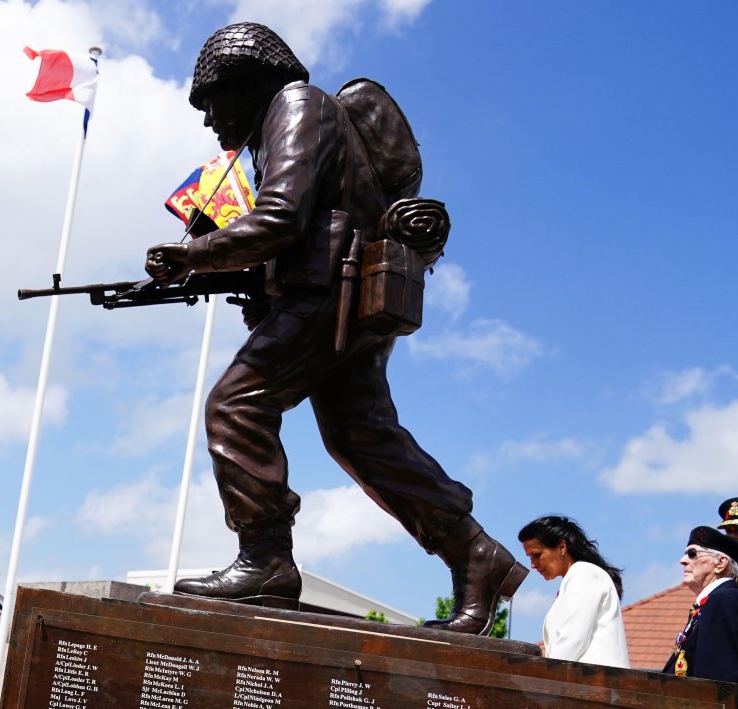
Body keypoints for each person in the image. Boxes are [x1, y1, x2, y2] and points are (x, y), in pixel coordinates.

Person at [144, 23, 525, 633]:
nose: (208, 119)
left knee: (236, 406)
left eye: (211, 100)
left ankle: (266, 559)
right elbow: (307, 221)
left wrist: (193, 253)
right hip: (348, 296)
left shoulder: (293, 104)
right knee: (361, 436)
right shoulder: (293, 121)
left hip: (330, 294)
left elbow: (282, 216)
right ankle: (474, 553)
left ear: (246, 81)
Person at [517, 516, 629, 667]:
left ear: (561, 547)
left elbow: (572, 640)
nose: (533, 565)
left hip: (596, 685)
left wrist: (544, 674)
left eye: (537, 555)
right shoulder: (576, 578)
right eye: (530, 558)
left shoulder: (584, 574)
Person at [664, 526, 738, 681]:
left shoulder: (722, 599)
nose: (682, 561)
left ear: (720, 563)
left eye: (693, 554)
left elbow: (717, 678)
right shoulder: (710, 602)